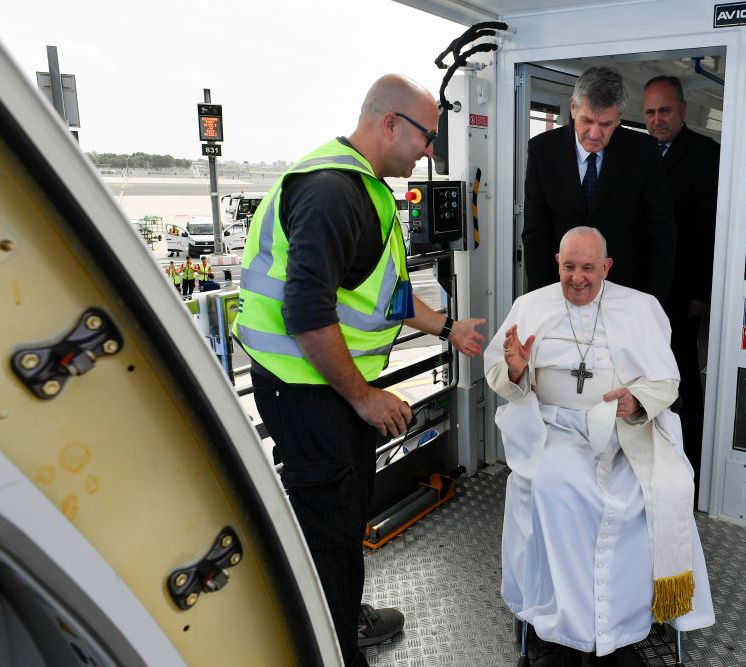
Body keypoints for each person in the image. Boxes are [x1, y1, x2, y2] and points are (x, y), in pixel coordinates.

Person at [231, 74, 486, 667]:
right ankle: (333, 648)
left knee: (344, 521)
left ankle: (343, 615)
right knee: (327, 532)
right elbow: (307, 313)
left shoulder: (363, 189)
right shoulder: (332, 193)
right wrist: (366, 397)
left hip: (328, 391)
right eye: (427, 137)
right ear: (390, 123)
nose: (429, 152)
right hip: (306, 391)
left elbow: (386, 294)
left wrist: (449, 331)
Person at [485, 227, 714, 666]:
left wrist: (637, 399)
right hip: (553, 429)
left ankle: (620, 631)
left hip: (624, 432)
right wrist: (515, 372)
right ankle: (565, 633)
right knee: (557, 486)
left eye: (588, 267)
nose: (577, 278)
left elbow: (666, 380)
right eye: (568, 267)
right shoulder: (529, 307)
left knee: (641, 496)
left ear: (606, 267)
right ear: (557, 263)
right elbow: (501, 375)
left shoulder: (640, 308)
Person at [522, 66, 675, 305]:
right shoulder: (543, 150)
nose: (594, 133)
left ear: (619, 117)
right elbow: (535, 233)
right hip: (561, 291)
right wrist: (541, 300)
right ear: (573, 108)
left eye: (605, 124)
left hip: (626, 292)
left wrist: (652, 302)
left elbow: (661, 233)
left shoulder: (644, 152)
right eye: (587, 121)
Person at [642, 76, 721, 491]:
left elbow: (710, 231)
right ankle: (647, 447)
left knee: (682, 372)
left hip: (682, 290)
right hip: (642, 289)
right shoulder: (636, 151)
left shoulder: (705, 155)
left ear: (684, 111)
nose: (657, 120)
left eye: (665, 111)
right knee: (641, 368)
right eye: (651, 112)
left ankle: (692, 460)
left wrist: (701, 293)